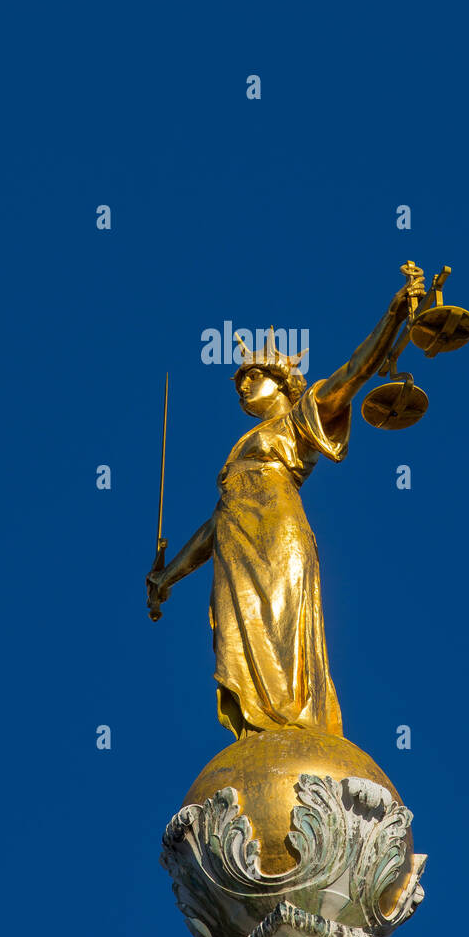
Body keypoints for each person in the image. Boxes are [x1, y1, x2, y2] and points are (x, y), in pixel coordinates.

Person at [146, 283, 416, 739]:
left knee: (284, 630)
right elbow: (216, 524)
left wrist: (393, 316)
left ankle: (295, 727)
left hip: (277, 533)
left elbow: (354, 372)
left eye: (251, 377)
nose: (242, 388)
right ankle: (262, 734)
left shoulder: (300, 418)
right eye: (240, 383)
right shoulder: (241, 452)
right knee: (238, 638)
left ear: (280, 381)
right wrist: (166, 576)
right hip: (235, 545)